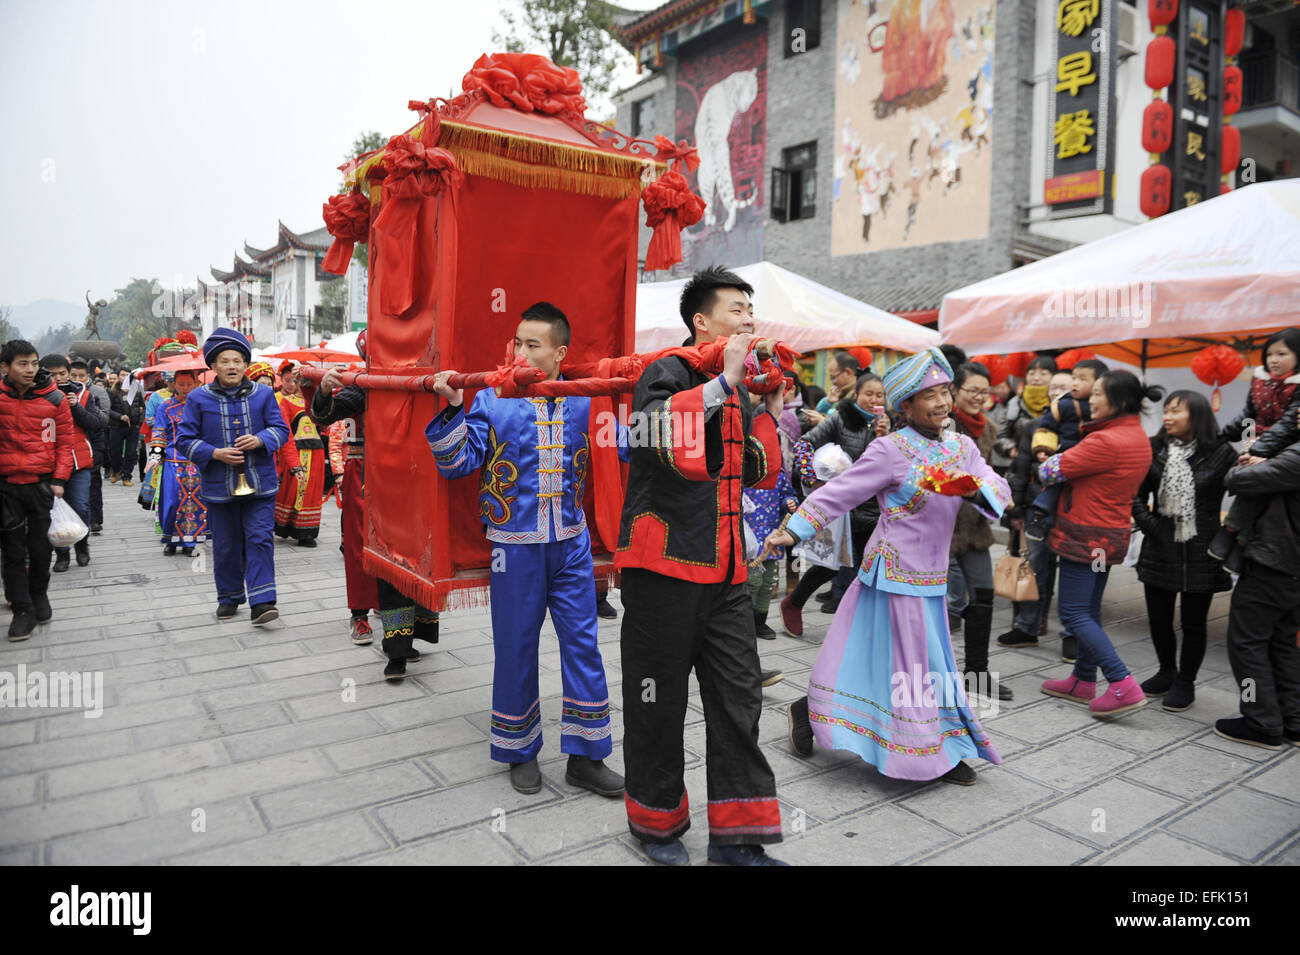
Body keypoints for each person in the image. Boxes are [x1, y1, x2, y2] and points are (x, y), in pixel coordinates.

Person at [764, 347, 1011, 785]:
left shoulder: (962, 446)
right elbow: (841, 491)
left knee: (911, 664)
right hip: (893, 574)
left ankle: (925, 741)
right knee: (913, 666)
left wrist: (974, 487)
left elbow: (995, 485)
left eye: (944, 392)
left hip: (933, 576)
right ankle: (927, 752)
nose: (941, 402)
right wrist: (795, 528)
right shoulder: (890, 450)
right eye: (928, 394)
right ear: (906, 405)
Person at [616, 266, 787, 866]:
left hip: (728, 574)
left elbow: (761, 469)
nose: (748, 318)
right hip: (662, 569)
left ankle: (738, 840)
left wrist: (766, 404)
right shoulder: (664, 369)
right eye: (736, 309)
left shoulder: (735, 384)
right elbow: (654, 436)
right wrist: (724, 385)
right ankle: (657, 826)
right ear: (701, 321)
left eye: (750, 308)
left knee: (739, 701)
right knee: (656, 702)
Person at [428, 302, 624, 800]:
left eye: (532, 345)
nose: (519, 352)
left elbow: (621, 448)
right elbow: (457, 463)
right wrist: (452, 407)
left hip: (572, 545)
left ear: (560, 353)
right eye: (517, 342)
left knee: (584, 645)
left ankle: (586, 756)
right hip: (512, 549)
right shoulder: (493, 397)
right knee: (516, 648)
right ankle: (519, 749)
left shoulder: (586, 400)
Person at [1037, 370, 1160, 717]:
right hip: (1107, 538)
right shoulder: (1136, 435)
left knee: (1073, 612)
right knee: (1088, 609)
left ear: (1118, 400)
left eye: (1098, 394)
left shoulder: (1105, 441)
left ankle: (1122, 683)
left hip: (1085, 535)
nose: (1090, 398)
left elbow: (1048, 472)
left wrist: (1050, 459)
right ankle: (1083, 679)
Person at [177, 327, 290, 625]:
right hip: (218, 485)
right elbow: (184, 440)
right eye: (225, 361)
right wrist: (215, 453)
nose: (231, 366)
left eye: (237, 360)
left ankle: (262, 601)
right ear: (213, 366)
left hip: (260, 483)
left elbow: (282, 430)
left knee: (260, 539)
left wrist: (261, 440)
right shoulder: (198, 399)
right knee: (225, 545)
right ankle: (229, 596)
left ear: (245, 364)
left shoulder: (264, 395)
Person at [1131, 391, 1235, 712]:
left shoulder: (1221, 453)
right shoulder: (1153, 448)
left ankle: (1185, 680)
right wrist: (1153, 526)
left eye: (1177, 411)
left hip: (1201, 548)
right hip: (1159, 545)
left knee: (1194, 622)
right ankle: (1166, 671)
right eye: (1166, 411)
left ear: (1198, 416)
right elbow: (1134, 495)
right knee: (1159, 618)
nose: (1168, 417)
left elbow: (1245, 492)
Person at [1214, 413, 1300, 750]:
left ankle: (1260, 721)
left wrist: (1244, 464)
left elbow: (1239, 482)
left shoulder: (1295, 456)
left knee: (1247, 643)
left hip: (1275, 562)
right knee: (1282, 642)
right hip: (1291, 569)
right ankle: (1292, 721)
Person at [779, 371, 889, 634]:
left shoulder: (887, 424)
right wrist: (815, 482)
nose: (874, 399)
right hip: (842, 508)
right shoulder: (840, 419)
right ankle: (793, 603)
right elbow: (804, 445)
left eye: (880, 395)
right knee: (831, 566)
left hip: (873, 508)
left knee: (871, 564)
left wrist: (885, 437)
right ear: (857, 394)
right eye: (869, 394)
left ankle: (864, 624)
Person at [309, 332, 383, 648]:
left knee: (398, 546)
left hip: (404, 477)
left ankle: (396, 618)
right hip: (363, 472)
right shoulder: (361, 385)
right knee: (357, 544)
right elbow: (325, 414)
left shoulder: (411, 379)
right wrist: (324, 391)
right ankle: (359, 613)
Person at [946, 361, 1012, 702]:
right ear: (954, 391)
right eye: (971, 390)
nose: (978, 397)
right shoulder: (942, 424)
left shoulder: (989, 429)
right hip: (939, 528)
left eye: (984, 392)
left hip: (975, 525)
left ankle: (977, 673)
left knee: (984, 594)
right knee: (930, 604)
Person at [1, 340, 76, 640]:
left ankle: (40, 596)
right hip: (6, 486)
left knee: (41, 547)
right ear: (5, 367)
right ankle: (22, 609)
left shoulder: (55, 399)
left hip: (43, 484)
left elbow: (65, 442)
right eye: (23, 364)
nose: (30, 369)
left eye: (34, 363)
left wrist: (59, 480)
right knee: (12, 551)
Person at [999, 368, 1075, 656]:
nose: (1057, 393)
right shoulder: (1034, 426)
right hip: (1035, 510)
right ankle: (1027, 627)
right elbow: (1019, 470)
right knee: (1034, 570)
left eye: (1065, 389)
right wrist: (1016, 509)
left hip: (1072, 511)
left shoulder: (1084, 428)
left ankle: (1072, 632)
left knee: (1071, 573)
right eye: (1054, 388)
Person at [1210, 328, 1300, 570]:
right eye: (1270, 353)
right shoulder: (1260, 378)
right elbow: (1248, 416)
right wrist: (1221, 435)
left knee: (1260, 489)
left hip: (1286, 449)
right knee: (1251, 486)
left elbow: (1288, 425)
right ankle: (1236, 539)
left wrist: (1258, 451)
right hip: (1258, 443)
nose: (1274, 359)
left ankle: (1234, 536)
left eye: (1282, 353)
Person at [1024, 358, 1108, 542]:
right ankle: (1039, 515)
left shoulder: (1106, 406)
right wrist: (1043, 448)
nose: (1075, 383)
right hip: (1066, 454)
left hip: (1094, 458)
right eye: (1074, 378)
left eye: (1083, 379)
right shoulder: (1062, 404)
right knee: (1055, 486)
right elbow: (1046, 427)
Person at [39, 354, 98, 572]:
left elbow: (94, 423)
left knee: (81, 506)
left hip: (79, 460)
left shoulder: (83, 394)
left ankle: (82, 546)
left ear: (68, 372)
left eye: (62, 373)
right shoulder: (37, 396)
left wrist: (75, 406)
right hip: (48, 463)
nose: (57, 378)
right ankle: (61, 554)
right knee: (53, 511)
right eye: (52, 374)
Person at [145, 369, 208, 557]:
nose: (186, 388)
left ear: (196, 383)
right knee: (172, 501)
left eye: (189, 384)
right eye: (181, 384)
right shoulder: (165, 407)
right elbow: (159, 431)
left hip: (196, 460)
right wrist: (155, 456)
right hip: (173, 460)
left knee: (195, 502)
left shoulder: (203, 405)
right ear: (174, 384)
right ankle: (170, 540)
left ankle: (190, 541)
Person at [272, 362, 324, 547]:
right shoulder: (281, 400)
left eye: (296, 380)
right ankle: (291, 525)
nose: (293, 384)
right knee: (296, 488)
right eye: (288, 380)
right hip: (297, 450)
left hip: (316, 450)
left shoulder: (311, 401)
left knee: (313, 490)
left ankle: (307, 531)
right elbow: (285, 429)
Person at [68, 359, 111, 535]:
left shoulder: (97, 392)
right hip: (70, 447)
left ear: (88, 376)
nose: (78, 378)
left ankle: (95, 520)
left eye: (81, 375)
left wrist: (84, 407)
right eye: (74, 375)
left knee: (93, 483)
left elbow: (104, 419)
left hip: (94, 443)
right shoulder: (59, 392)